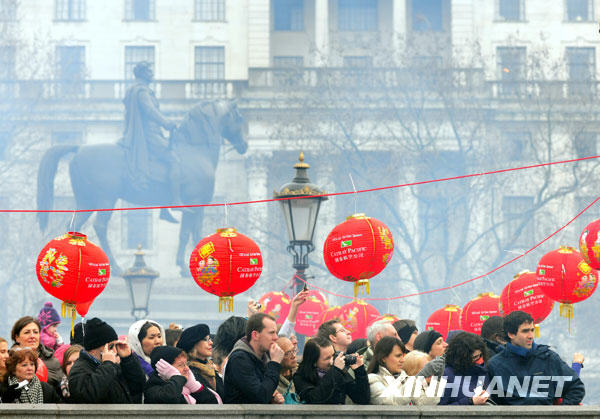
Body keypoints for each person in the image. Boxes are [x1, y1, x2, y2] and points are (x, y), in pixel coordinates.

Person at [120, 60, 184, 220]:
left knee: (164, 163)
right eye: (149, 71)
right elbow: (150, 111)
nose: (152, 73)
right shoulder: (142, 91)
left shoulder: (139, 90)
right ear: (142, 73)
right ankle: (174, 201)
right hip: (149, 136)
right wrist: (166, 123)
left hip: (152, 133)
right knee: (174, 160)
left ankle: (163, 209)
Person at [486, 310, 585, 405]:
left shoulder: (548, 358)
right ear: (511, 334)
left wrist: (559, 413)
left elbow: (576, 388)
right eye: (525, 331)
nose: (530, 336)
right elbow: (491, 401)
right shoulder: (495, 365)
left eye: (532, 330)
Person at [68, 317, 146, 404]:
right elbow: (87, 396)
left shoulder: (113, 366)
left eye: (116, 346)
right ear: (93, 350)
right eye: (110, 347)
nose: (115, 351)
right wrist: (108, 365)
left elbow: (139, 386)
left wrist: (128, 359)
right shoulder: (79, 369)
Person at [223, 313, 284, 404]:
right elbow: (260, 396)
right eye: (271, 333)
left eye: (276, 333)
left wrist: (272, 399)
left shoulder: (264, 357)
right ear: (255, 335)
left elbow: (264, 392)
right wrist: (275, 363)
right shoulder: (239, 359)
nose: (276, 337)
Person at [293, 336, 369, 404]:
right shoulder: (300, 376)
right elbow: (315, 398)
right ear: (314, 362)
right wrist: (335, 370)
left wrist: (360, 371)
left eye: (333, 355)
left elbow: (361, 399)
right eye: (327, 358)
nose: (332, 361)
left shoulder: (338, 371)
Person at [368, 336, 439, 406]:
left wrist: (435, 385)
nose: (402, 360)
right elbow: (387, 401)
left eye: (403, 356)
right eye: (398, 356)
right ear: (383, 358)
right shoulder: (372, 379)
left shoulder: (406, 378)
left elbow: (423, 403)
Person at [176, 323, 224, 404]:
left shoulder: (211, 369)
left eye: (210, 339)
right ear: (193, 344)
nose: (211, 342)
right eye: (206, 339)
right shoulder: (189, 372)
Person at [439, 332, 489, 405]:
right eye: (474, 357)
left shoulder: (481, 371)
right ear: (462, 357)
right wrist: (470, 401)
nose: (478, 359)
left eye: (480, 355)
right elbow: (440, 410)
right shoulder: (446, 375)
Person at [11, 316, 63, 387]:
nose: (32, 336)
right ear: (17, 337)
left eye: (35, 332)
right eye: (27, 332)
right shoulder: (8, 360)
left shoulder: (52, 360)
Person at [275, 336, 299, 401]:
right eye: (287, 353)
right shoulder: (272, 379)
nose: (293, 356)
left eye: (294, 351)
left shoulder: (301, 373)